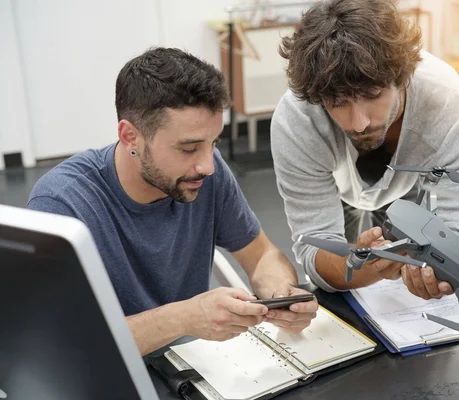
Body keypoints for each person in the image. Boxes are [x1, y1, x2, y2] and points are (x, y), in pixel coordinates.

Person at [27, 47, 318, 356]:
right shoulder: (62, 203)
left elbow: (261, 256)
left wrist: (281, 294)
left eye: (213, 142)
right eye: (188, 148)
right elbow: (64, 344)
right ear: (130, 137)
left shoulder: (207, 173)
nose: (207, 165)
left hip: (187, 363)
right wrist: (184, 318)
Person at [271, 0, 459, 300]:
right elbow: (315, 248)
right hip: (337, 181)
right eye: (338, 103)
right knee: (341, 281)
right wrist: (366, 267)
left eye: (372, 96)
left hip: (413, 179)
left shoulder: (451, 111)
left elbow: (451, 231)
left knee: (420, 257)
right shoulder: (298, 119)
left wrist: (435, 270)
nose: (358, 124)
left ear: (402, 77)